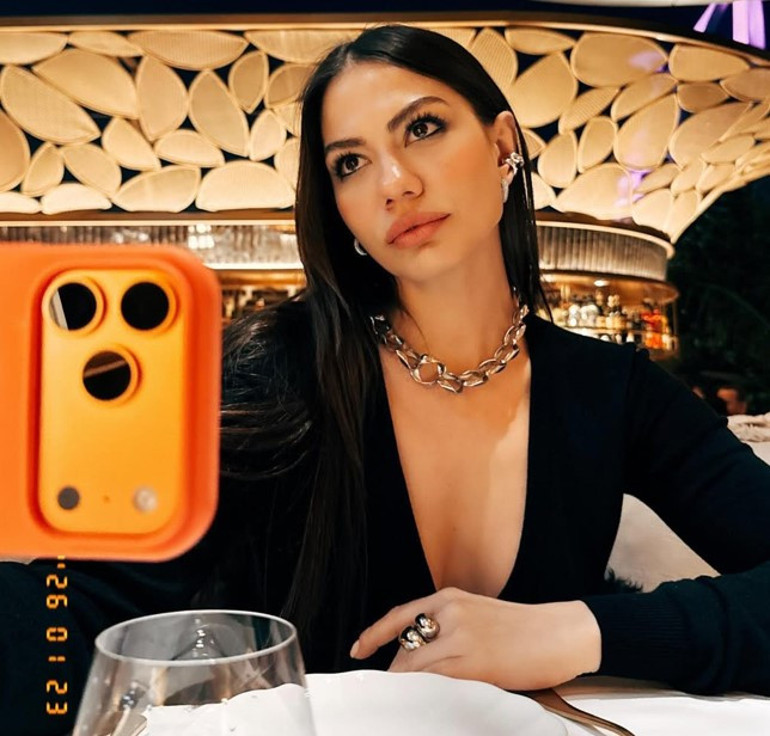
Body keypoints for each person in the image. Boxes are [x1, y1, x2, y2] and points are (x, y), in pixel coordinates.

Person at [3, 24, 770, 735]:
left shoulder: (613, 390)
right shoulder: (270, 375)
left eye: (424, 128)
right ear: (339, 210)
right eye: (350, 163)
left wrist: (576, 630)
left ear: (504, 145)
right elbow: (74, 623)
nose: (394, 182)